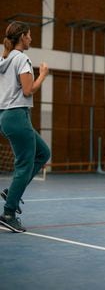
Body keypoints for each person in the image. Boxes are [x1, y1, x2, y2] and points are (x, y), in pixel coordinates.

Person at [0, 21, 50, 233]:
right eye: (29, 36)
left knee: (43, 153)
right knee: (24, 165)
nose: (31, 39)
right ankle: (9, 213)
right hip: (17, 115)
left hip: (7, 116)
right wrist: (43, 75)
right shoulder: (21, 59)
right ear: (21, 37)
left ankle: (12, 192)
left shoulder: (5, 59)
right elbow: (28, 90)